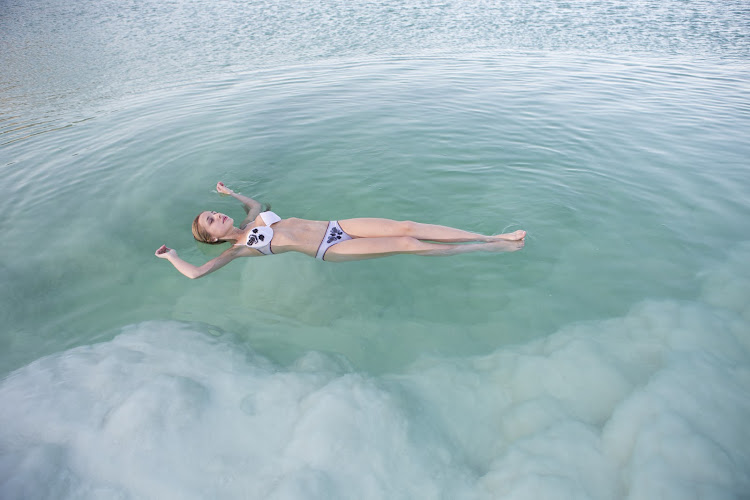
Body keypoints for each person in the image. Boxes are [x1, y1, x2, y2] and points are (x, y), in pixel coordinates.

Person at [155, 182, 526, 279]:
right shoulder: (238, 248)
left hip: (336, 226)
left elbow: (253, 205)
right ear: (214, 238)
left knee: (407, 226)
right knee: (408, 243)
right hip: (330, 250)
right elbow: (197, 272)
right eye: (209, 221)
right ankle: (488, 248)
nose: (216, 215)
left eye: (213, 212)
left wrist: (230, 192)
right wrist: (172, 256)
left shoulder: (254, 220)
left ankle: (486, 235)